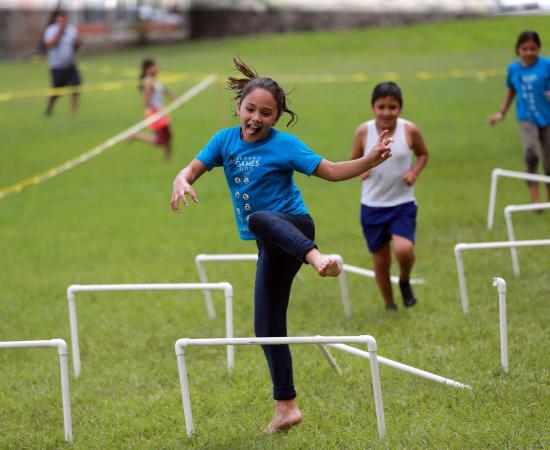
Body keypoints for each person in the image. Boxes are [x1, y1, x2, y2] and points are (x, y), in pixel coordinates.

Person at [170, 59, 392, 433]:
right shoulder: (224, 141)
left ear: (277, 117)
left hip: (296, 228)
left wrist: (368, 159)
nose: (256, 118)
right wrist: (181, 179)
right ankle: (286, 407)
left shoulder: (285, 145)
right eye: (251, 109)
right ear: (239, 107)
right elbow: (192, 169)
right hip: (270, 241)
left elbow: (332, 170)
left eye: (266, 113)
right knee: (267, 327)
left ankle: (317, 258)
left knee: (258, 218)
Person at [351, 82, 428, 311]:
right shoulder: (364, 131)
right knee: (381, 260)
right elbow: (353, 160)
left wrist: (414, 172)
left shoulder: (409, 130)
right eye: (381, 107)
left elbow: (423, 154)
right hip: (372, 206)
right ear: (372, 107)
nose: (386, 112)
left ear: (400, 108)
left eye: (392, 107)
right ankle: (390, 304)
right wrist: (361, 169)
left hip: (402, 203)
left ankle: (404, 280)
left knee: (404, 250)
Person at [489, 30, 550, 204]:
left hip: (547, 117)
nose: (529, 52)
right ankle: (536, 203)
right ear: (518, 49)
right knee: (531, 153)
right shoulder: (513, 69)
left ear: (538, 49)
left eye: (533, 48)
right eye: (525, 49)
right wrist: (501, 113)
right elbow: (511, 91)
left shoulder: (547, 65)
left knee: (549, 161)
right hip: (526, 117)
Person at [128, 58, 175, 161]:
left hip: (161, 112)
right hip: (155, 113)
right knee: (160, 141)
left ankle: (167, 158)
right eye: (153, 66)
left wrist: (174, 98)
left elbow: (164, 90)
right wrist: (156, 111)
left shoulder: (155, 80)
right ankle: (136, 135)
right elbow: (146, 101)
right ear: (147, 70)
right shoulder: (148, 82)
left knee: (169, 135)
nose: (156, 68)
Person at [43, 10, 82, 116]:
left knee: (75, 86)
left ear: (66, 20)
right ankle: (49, 107)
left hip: (70, 64)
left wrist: (78, 43)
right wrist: (60, 32)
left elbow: (75, 47)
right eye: (59, 21)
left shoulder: (71, 30)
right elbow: (49, 45)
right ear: (56, 20)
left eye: (63, 21)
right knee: (57, 91)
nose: (61, 23)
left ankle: (73, 112)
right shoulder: (51, 30)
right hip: (57, 66)